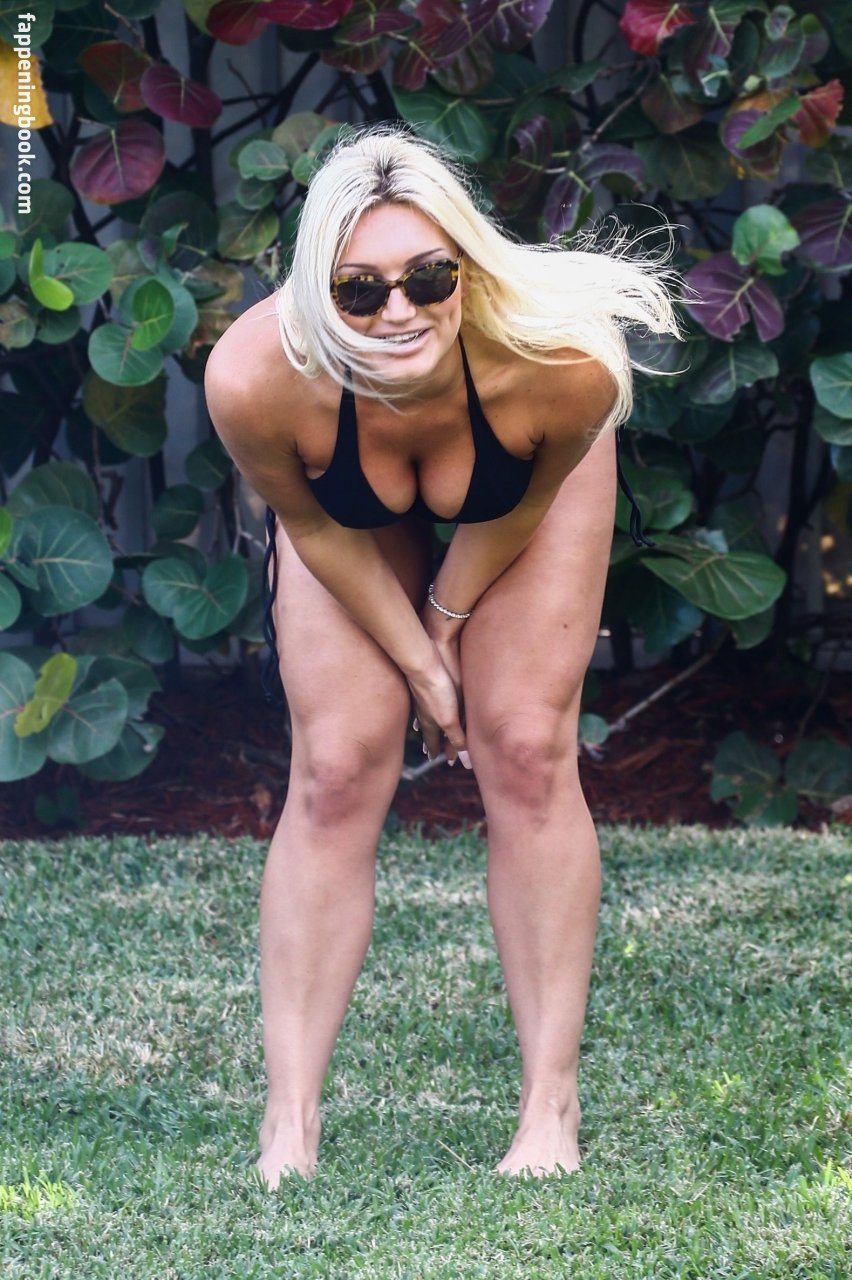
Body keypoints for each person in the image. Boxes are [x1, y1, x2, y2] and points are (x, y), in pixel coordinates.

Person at [204, 125, 680, 1188]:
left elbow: (519, 508)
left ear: (467, 267)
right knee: (336, 766)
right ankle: (289, 1122)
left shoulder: (564, 365)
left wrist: (448, 622)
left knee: (525, 747)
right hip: (346, 517)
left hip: (515, 493)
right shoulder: (254, 375)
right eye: (358, 290)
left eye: (428, 277)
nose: (399, 310)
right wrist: (420, 666)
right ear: (318, 292)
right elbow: (314, 528)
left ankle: (549, 1106)